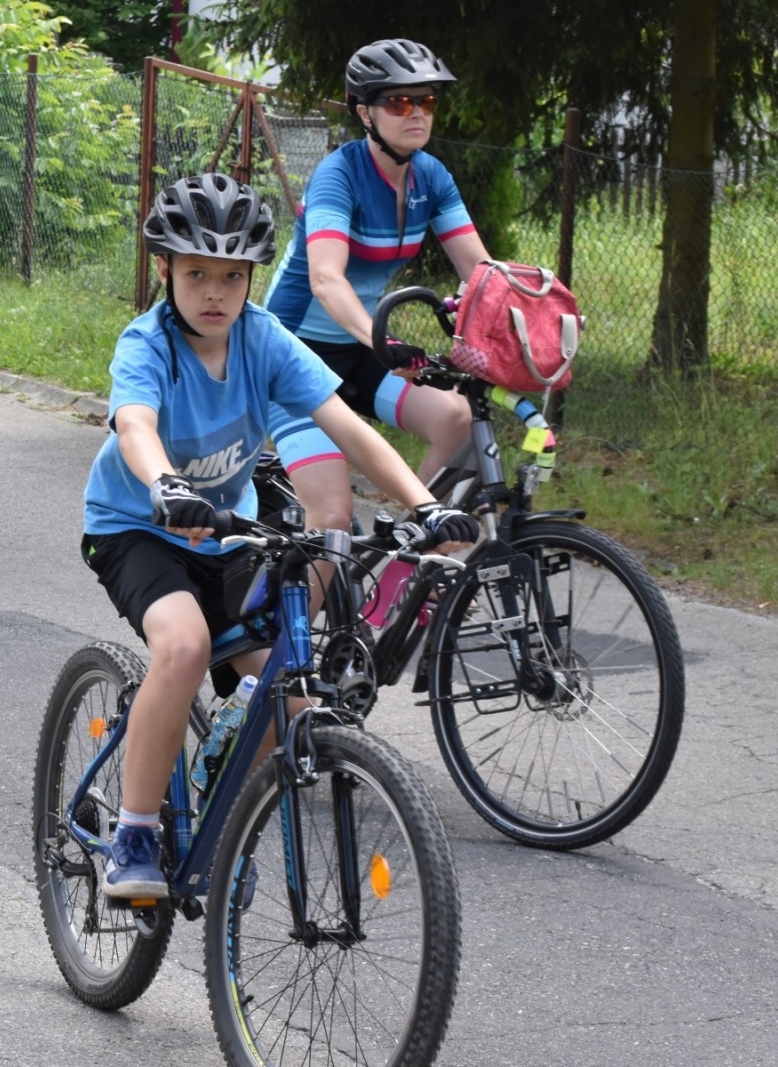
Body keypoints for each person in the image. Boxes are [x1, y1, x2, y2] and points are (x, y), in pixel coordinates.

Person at [81, 173, 478, 899]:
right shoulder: (148, 345)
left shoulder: (263, 339)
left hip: (226, 534)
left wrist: (423, 505)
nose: (214, 292)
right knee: (185, 644)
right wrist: (166, 482)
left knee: (288, 691)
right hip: (138, 527)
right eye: (196, 272)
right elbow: (135, 424)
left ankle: (219, 819)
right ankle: (133, 831)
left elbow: (347, 426)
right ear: (165, 269)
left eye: (232, 277)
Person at [263, 39, 493, 537]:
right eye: (398, 102)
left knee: (454, 418)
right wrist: (383, 342)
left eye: (426, 101)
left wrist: (539, 313)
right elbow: (326, 279)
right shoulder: (337, 176)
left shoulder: (431, 177)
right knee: (331, 517)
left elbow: (481, 272)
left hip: (359, 347)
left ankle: (409, 545)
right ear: (365, 113)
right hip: (292, 353)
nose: (416, 113)